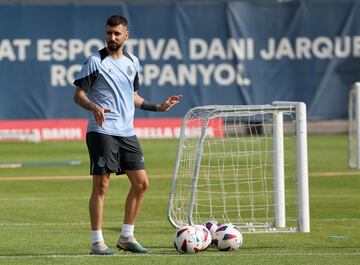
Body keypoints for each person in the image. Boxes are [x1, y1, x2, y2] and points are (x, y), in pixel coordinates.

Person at [73, 15, 182, 255]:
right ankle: (97, 242)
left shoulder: (133, 61)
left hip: (127, 133)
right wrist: (94, 106)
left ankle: (126, 236)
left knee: (141, 183)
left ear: (126, 36)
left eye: (116, 34)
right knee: (102, 186)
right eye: (109, 33)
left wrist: (159, 107)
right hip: (102, 131)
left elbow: (133, 97)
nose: (112, 38)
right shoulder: (95, 61)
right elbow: (78, 95)